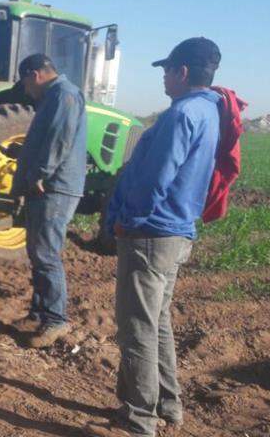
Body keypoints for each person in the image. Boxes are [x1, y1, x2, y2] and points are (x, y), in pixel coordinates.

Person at [86, 38, 224, 437]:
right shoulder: (208, 111)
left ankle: (137, 419)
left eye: (167, 69)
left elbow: (154, 176)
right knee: (157, 323)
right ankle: (168, 404)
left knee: (136, 330)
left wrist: (129, 219)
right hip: (175, 232)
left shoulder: (181, 114)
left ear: (182, 72)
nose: (163, 76)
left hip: (151, 232)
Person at [8, 53, 86, 348]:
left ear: (35, 75)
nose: (27, 91)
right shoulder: (54, 96)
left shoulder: (64, 95)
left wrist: (40, 173)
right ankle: (38, 313)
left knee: (47, 254)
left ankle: (56, 320)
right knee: (38, 252)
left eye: (26, 84)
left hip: (55, 187)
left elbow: (60, 140)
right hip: (47, 185)